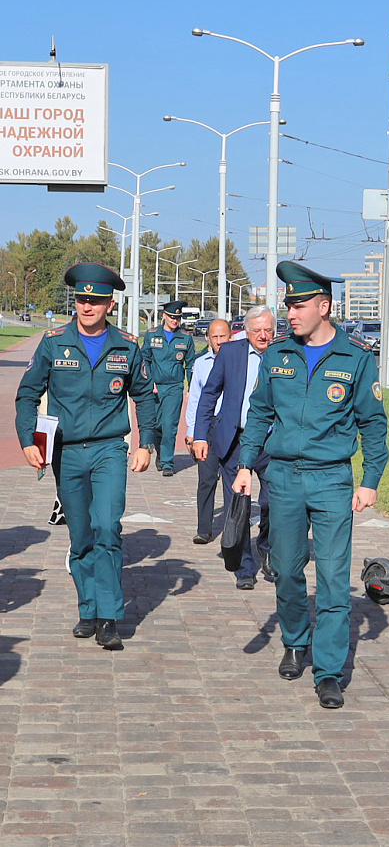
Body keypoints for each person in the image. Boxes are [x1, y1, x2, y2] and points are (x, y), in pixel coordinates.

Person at [233, 262, 388, 709]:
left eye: (299, 304)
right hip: (281, 478)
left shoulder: (356, 359)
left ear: (324, 306)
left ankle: (329, 671)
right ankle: (296, 641)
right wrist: (246, 463)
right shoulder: (277, 355)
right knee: (285, 569)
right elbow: (259, 412)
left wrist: (371, 480)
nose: (291, 313)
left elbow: (373, 424)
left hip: (331, 481)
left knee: (335, 579)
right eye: (289, 305)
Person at [14, 263, 159, 650]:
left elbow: (144, 395)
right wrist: (28, 439)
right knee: (81, 537)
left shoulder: (127, 345)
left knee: (108, 528)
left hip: (110, 449)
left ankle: (110, 616)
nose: (88, 306)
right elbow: (28, 392)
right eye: (82, 299)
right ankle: (88, 608)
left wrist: (146, 443)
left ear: (110, 304)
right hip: (66, 452)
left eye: (96, 300)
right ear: (75, 301)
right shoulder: (53, 341)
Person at [194, 306, 277, 589]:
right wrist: (200, 435)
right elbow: (209, 394)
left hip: (271, 441)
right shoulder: (230, 353)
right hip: (235, 439)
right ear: (247, 330)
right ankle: (244, 567)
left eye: (269, 330)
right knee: (236, 503)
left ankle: (267, 549)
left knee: (272, 502)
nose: (264, 336)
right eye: (258, 331)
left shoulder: (284, 353)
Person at [186, 318, 232, 544]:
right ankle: (204, 529)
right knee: (206, 478)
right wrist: (192, 431)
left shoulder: (238, 360)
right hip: (208, 425)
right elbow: (195, 398)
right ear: (207, 339)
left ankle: (233, 529)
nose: (219, 341)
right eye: (215, 337)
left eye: (223, 336)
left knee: (231, 480)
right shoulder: (201, 363)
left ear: (231, 336)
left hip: (233, 426)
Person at [143, 300, 197, 476]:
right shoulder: (151, 335)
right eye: (172, 317)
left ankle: (167, 462)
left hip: (174, 387)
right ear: (164, 316)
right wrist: (149, 382)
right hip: (155, 387)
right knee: (157, 426)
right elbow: (145, 360)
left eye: (178, 318)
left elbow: (190, 364)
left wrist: (191, 388)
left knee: (169, 425)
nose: (175, 321)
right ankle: (160, 453)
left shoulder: (186, 337)